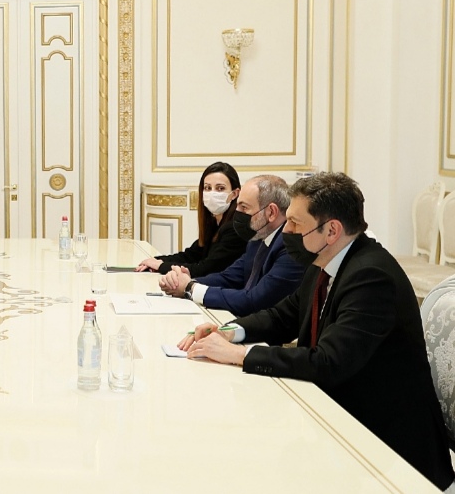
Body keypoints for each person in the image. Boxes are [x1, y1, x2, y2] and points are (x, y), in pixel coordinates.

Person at [181, 173, 454, 490]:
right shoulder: (324, 261)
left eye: (295, 223)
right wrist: (229, 331)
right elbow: (283, 316)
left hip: (388, 451)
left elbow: (328, 362)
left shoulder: (371, 276)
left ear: (331, 230)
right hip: (342, 425)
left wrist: (240, 355)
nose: (286, 231)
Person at [158, 175, 305, 316]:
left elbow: (254, 301)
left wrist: (191, 288)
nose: (236, 213)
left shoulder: (290, 248)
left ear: (271, 212)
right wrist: (183, 282)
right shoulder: (257, 238)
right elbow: (229, 278)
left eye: (244, 207)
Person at [135, 161, 247, 278]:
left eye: (220, 188)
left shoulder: (235, 228)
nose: (212, 193)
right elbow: (191, 255)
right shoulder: (215, 222)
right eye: (207, 188)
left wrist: (161, 266)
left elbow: (206, 269)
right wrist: (156, 261)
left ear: (235, 194)